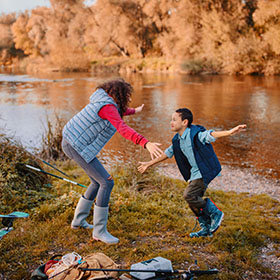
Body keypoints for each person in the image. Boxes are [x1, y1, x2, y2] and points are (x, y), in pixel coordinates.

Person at [62, 78, 163, 244]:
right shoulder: (107, 107)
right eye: (127, 96)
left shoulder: (103, 100)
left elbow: (118, 112)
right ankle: (99, 231)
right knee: (106, 183)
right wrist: (145, 143)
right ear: (118, 95)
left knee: (97, 182)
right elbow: (122, 128)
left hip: (75, 142)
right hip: (76, 145)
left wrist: (133, 111)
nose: (129, 99)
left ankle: (78, 221)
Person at [138, 108, 247, 238]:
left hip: (204, 170)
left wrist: (229, 132)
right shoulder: (177, 140)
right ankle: (206, 229)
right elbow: (167, 153)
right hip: (194, 173)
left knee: (189, 195)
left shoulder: (196, 134)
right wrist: (148, 164)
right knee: (193, 202)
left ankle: (215, 213)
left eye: (174, 119)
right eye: (171, 119)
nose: (171, 122)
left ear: (184, 122)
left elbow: (210, 135)